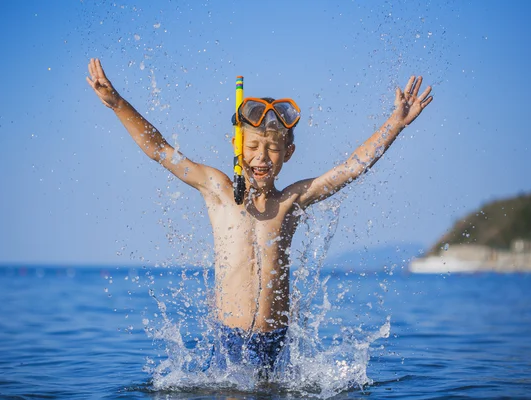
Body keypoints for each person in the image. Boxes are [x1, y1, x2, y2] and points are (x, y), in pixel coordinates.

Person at [86, 58, 433, 377]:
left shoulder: (291, 199)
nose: (261, 156)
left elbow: (349, 169)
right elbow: (159, 150)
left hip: (277, 341)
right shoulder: (217, 190)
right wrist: (118, 103)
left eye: (272, 148)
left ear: (288, 153)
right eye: (252, 147)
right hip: (229, 340)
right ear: (238, 146)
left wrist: (396, 123)